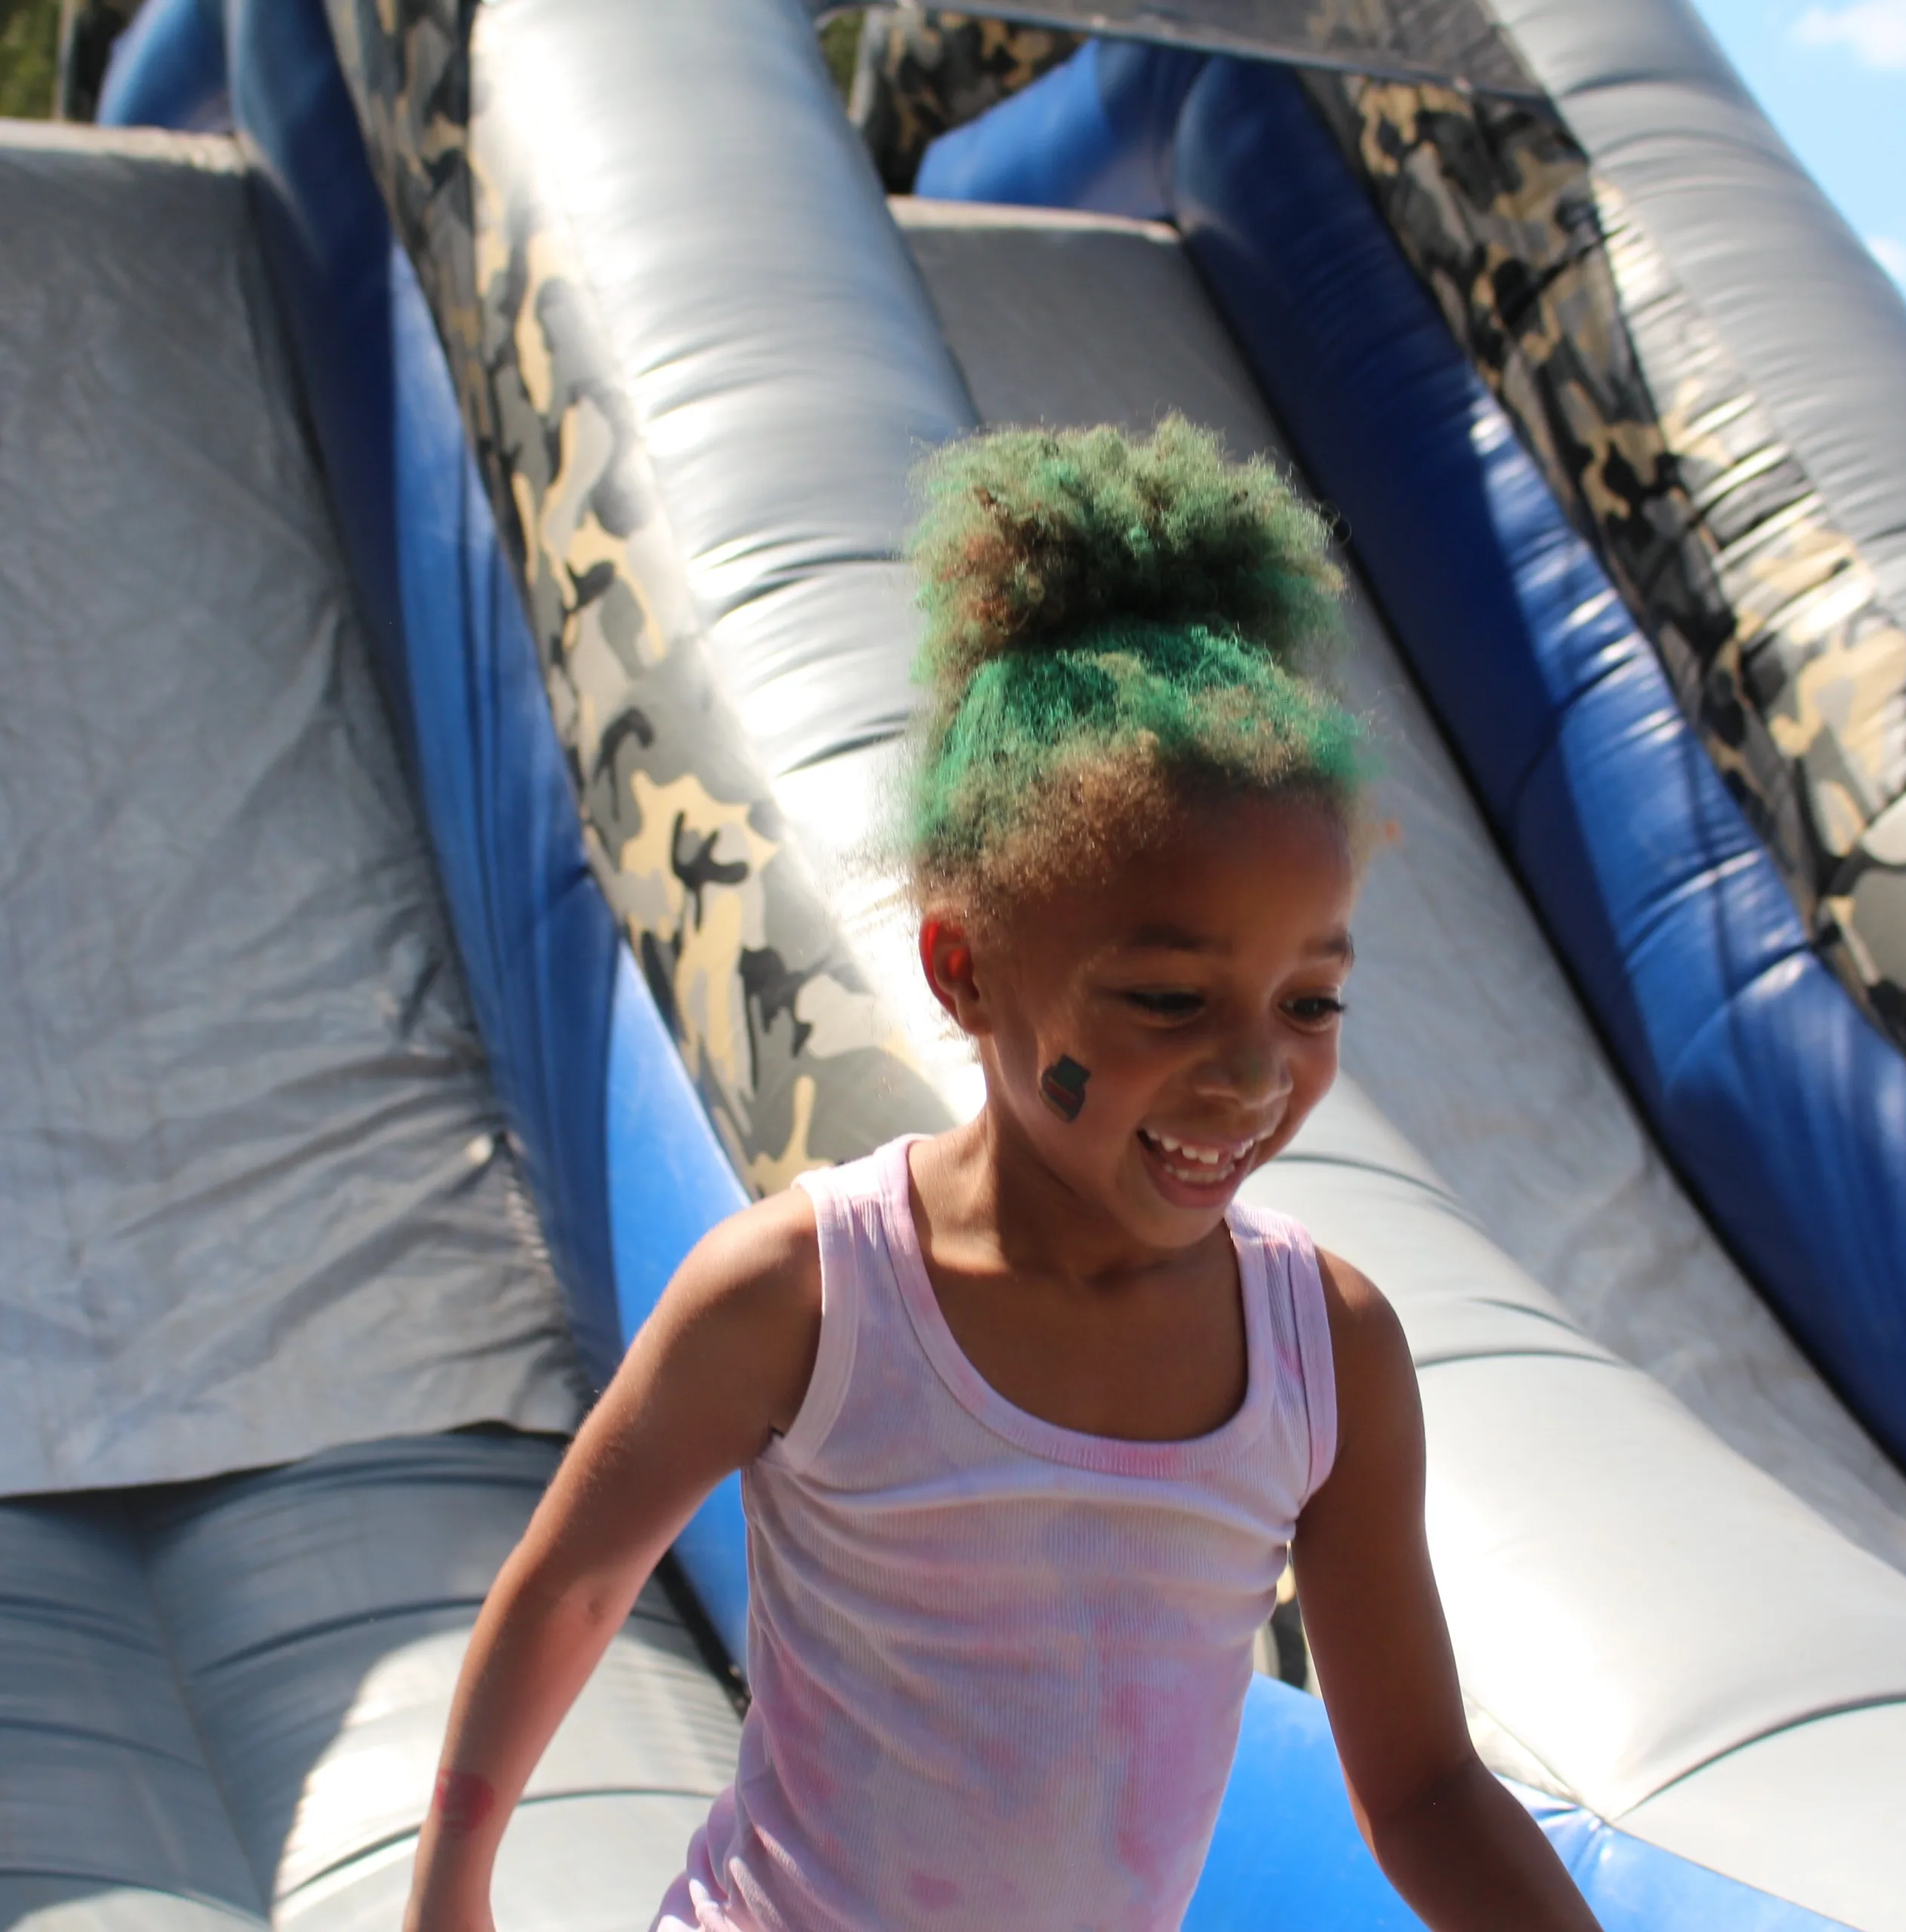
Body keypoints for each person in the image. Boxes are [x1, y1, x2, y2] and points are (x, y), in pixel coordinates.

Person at [402, 420, 1603, 1932]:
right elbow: (572, 1583)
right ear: (964, 971)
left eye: (1309, 1000)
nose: (1248, 1074)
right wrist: (453, 1878)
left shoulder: (1323, 1354)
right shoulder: (810, 1297)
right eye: (1167, 1000)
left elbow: (1423, 1784)